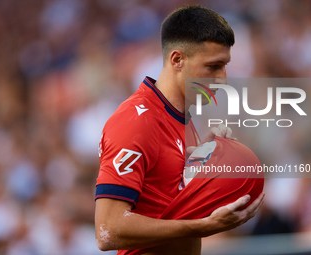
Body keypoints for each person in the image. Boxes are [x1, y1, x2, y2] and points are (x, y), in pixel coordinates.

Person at [95, 5, 265, 255]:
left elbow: (163, 196)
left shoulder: (182, 118)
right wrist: (203, 226)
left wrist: (199, 162)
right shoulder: (136, 121)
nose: (223, 79)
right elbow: (108, 231)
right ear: (177, 60)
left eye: (225, 65)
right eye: (213, 66)